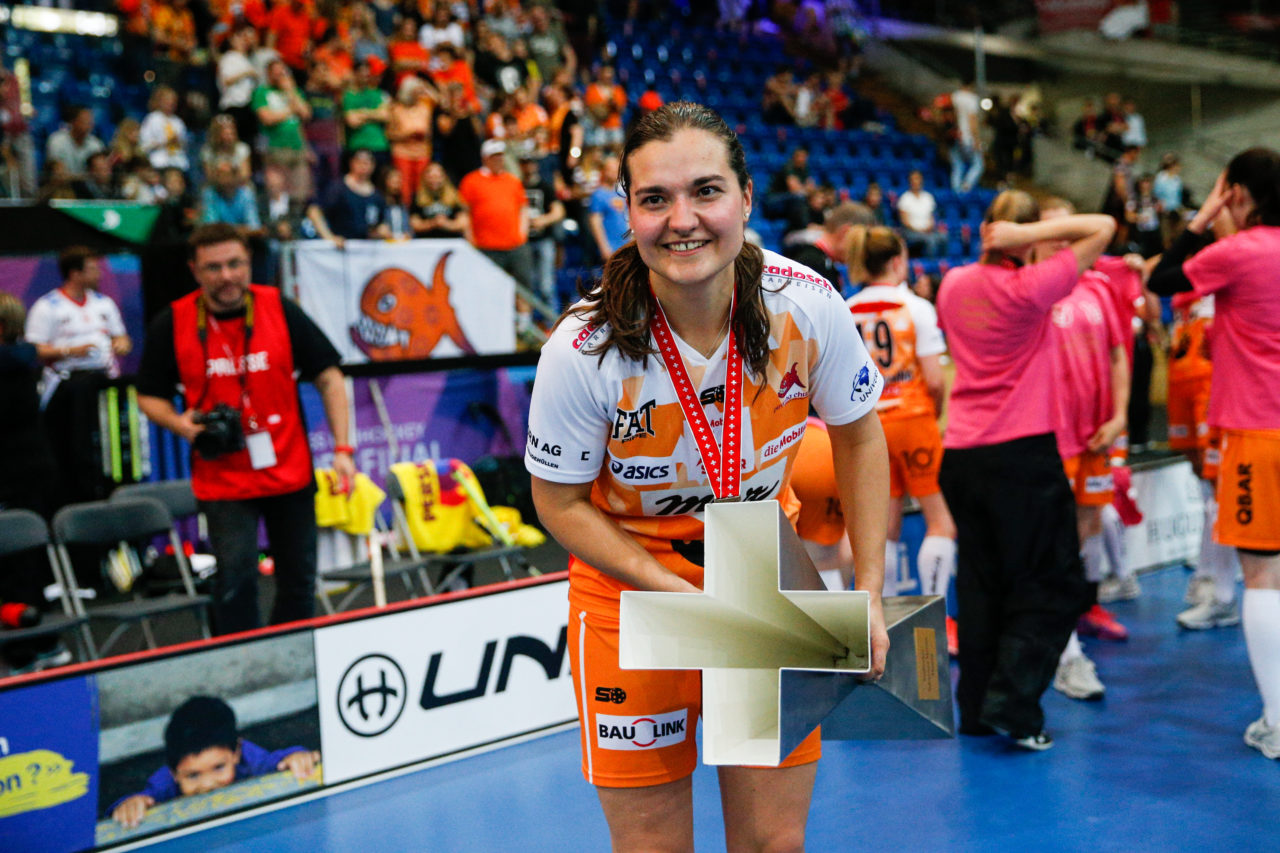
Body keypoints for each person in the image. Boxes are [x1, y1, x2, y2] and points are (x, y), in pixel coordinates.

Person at [524, 101, 890, 852]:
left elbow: (859, 435)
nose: (682, 220)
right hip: (632, 596)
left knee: (773, 844)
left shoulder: (806, 303)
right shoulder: (581, 348)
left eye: (706, 191)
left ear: (746, 199)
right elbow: (557, 502)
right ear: (627, 211)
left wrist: (870, 591)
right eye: (655, 198)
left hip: (762, 581)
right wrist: (672, 592)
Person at [937, 191, 1115, 750]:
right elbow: (1104, 226)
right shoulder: (1031, 288)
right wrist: (1029, 237)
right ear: (1023, 236)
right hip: (1022, 454)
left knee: (982, 587)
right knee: (1053, 584)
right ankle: (1015, 707)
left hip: (963, 455)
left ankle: (976, 709)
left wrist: (1016, 237)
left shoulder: (952, 283)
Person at [136, 224, 356, 634]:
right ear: (194, 270)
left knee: (299, 579)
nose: (227, 276)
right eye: (214, 267)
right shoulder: (174, 321)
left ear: (249, 262)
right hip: (223, 477)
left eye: (235, 264)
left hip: (289, 469)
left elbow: (329, 377)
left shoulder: (279, 308)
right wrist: (179, 424)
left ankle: (289, 654)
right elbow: (148, 395)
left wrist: (343, 450)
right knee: (235, 581)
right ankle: (242, 660)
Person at [1148, 149, 1280, 759]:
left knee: (1263, 577)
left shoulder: (1239, 252)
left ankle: (1277, 719)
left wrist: (1201, 218)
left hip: (1258, 432)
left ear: (1239, 194)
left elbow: (1163, 279)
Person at [846, 226, 958, 654]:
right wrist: (934, 412)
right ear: (898, 260)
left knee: (885, 528)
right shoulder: (917, 307)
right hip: (913, 418)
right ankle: (936, 620)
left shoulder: (848, 308)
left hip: (870, 427)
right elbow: (935, 379)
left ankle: (886, 623)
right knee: (940, 521)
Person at [109, 695, 320, 829]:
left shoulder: (249, 759)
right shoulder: (166, 783)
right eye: (193, 775)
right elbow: (139, 800)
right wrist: (130, 805)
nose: (208, 784)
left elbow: (275, 761)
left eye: (218, 767)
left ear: (236, 753)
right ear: (174, 773)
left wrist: (296, 757)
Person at [409, 161, 468, 238]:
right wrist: (433, 223)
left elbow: (463, 223)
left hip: (450, 241)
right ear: (424, 178)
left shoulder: (454, 196)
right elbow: (414, 224)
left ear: (444, 177)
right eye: (431, 177)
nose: (434, 180)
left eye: (437, 177)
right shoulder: (418, 197)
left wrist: (445, 224)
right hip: (425, 242)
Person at [897, 170, 947, 259]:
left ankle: (943, 263)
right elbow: (905, 221)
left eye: (918, 179)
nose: (916, 182)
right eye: (914, 179)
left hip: (927, 231)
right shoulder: (905, 198)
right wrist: (920, 230)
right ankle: (930, 265)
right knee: (930, 240)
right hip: (911, 232)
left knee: (944, 237)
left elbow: (932, 218)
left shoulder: (928, 197)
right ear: (910, 182)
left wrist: (930, 227)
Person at [45, 106, 104, 181]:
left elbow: (101, 175)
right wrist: (86, 177)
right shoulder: (56, 141)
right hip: (63, 185)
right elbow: (58, 174)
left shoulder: (96, 144)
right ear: (72, 122)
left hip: (89, 186)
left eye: (90, 121)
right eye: (85, 120)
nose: (90, 124)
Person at [587, 154, 627, 263]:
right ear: (603, 171)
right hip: (610, 248)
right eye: (611, 170)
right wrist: (603, 247)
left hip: (625, 246)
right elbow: (595, 222)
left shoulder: (620, 193)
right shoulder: (598, 194)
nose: (615, 173)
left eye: (617, 169)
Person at [950, 78, 983, 193]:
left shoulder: (955, 96)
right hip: (967, 137)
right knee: (978, 165)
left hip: (956, 135)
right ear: (971, 85)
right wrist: (976, 140)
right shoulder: (972, 99)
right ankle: (966, 187)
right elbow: (972, 121)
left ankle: (956, 191)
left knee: (957, 165)